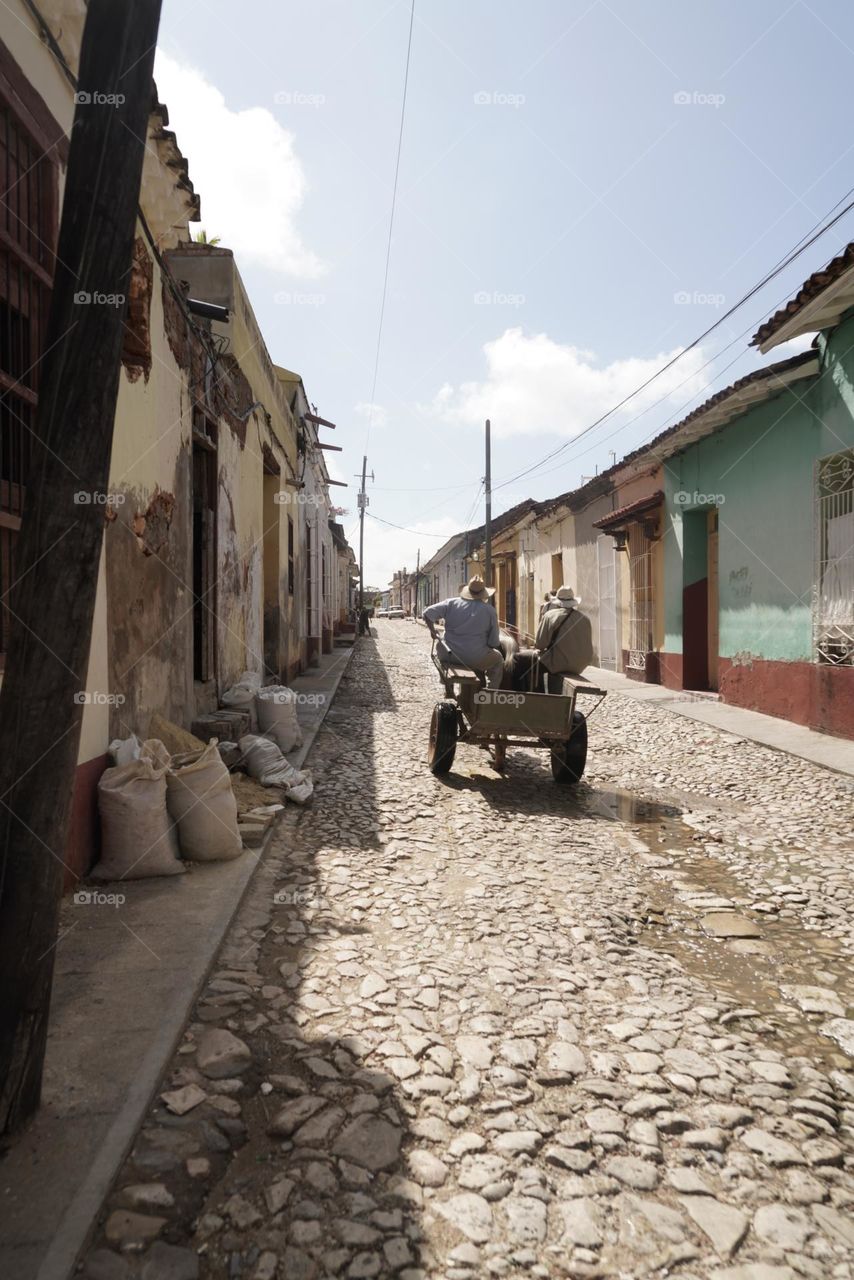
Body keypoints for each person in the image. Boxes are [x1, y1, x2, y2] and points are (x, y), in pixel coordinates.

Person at [423, 576, 504, 689]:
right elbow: (494, 642)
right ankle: (490, 692)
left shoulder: (451, 603)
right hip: (475, 658)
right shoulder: (489, 610)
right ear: (483, 593)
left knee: (441, 646)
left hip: (448, 655)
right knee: (498, 660)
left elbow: (427, 613)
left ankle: (449, 688)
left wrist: (433, 632)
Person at [535, 585, 594, 692]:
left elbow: (540, 644)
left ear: (557, 602)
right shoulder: (585, 619)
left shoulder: (549, 616)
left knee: (530, 666)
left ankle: (540, 697)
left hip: (559, 664)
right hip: (580, 665)